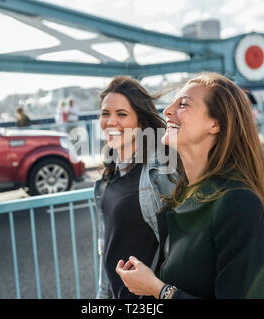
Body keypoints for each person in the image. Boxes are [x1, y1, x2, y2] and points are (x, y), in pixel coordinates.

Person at [116, 72, 264, 299]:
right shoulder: (182, 197)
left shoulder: (239, 204)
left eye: (183, 104)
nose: (167, 111)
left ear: (215, 123)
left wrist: (159, 290)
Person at [95, 76, 178, 299]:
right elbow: (108, 247)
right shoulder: (108, 178)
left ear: (141, 122)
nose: (111, 122)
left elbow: (180, 246)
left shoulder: (160, 173)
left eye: (121, 114)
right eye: (105, 114)